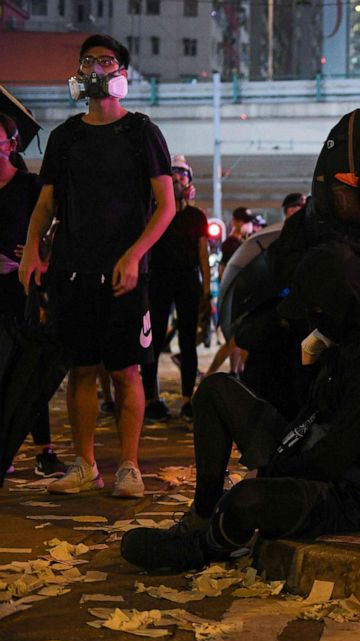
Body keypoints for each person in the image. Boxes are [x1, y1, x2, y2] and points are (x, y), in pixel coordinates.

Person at [120, 243, 360, 570]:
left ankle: (203, 548)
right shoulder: (342, 334)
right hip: (302, 446)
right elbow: (308, 411)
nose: (311, 321)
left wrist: (270, 473)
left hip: (346, 490)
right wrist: (308, 366)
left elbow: (335, 457)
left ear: (336, 302)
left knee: (245, 500)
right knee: (216, 391)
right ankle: (201, 518)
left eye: (316, 312)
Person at [19, 34, 174, 498]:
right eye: (88, 61)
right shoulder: (65, 137)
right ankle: (84, 465)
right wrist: (32, 250)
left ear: (122, 73)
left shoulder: (142, 132)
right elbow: (46, 205)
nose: (95, 69)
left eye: (105, 61)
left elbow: (165, 206)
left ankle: (128, 465)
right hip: (72, 270)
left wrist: (133, 255)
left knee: (127, 371)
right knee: (81, 370)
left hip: (125, 276)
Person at [0, 112, 66, 478]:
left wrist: (40, 252)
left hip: (19, 288)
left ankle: (44, 449)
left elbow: (56, 227)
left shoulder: (30, 187)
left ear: (11, 145)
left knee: (25, 369)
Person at [142, 154, 210, 423]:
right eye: (173, 174)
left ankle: (187, 400)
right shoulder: (154, 212)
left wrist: (206, 288)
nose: (178, 179)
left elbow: (203, 254)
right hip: (158, 280)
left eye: (183, 175)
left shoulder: (196, 216)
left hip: (187, 280)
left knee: (187, 342)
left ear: (189, 182)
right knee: (153, 341)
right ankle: (151, 400)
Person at [219, 206, 254, 280]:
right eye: (244, 222)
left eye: (249, 221)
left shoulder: (244, 240)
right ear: (234, 222)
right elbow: (224, 267)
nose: (248, 224)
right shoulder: (231, 243)